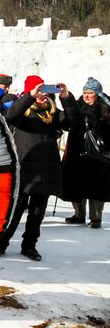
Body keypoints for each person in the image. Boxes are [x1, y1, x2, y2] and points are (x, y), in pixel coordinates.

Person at [0, 75, 78, 261]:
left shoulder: (52, 113)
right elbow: (10, 115)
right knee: (15, 211)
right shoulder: (24, 112)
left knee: (37, 213)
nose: (42, 96)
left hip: (46, 169)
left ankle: (29, 246)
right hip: (25, 167)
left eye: (44, 92)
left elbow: (73, 123)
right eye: (39, 91)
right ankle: (0, 243)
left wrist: (66, 98)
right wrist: (30, 96)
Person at [61, 77, 110, 229]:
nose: (86, 96)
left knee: (96, 186)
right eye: (85, 92)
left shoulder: (105, 108)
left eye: (90, 93)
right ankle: (79, 214)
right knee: (76, 183)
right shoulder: (77, 106)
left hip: (98, 155)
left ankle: (96, 218)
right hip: (77, 151)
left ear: (98, 94)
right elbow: (67, 122)